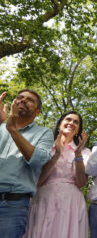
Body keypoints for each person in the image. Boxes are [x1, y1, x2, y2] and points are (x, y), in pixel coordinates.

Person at [23, 111, 90, 238]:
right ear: (60, 124)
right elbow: (37, 181)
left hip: (71, 203)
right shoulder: (44, 148)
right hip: (44, 200)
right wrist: (57, 154)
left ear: (78, 131)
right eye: (68, 119)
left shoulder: (85, 152)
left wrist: (78, 154)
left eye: (76, 122)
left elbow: (81, 182)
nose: (71, 123)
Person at [0, 89, 53, 238]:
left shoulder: (44, 133)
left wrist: (12, 129)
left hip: (12, 206)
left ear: (38, 112)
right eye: (20, 97)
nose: (22, 100)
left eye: (29, 100)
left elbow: (38, 161)